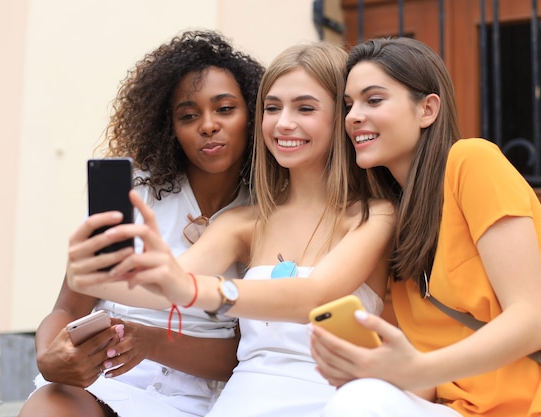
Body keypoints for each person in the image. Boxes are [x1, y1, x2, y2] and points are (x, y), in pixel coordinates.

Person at [66, 41, 396, 417]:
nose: (283, 122)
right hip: (245, 401)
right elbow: (166, 287)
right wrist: (90, 274)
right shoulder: (243, 222)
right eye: (272, 108)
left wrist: (194, 289)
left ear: (343, 116)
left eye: (305, 108)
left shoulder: (375, 216)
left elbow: (314, 297)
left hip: (340, 400)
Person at [309, 36, 541, 417]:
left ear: (427, 110)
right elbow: (431, 380)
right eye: (349, 105)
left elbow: (532, 321)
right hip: (465, 409)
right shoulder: (397, 222)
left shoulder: (472, 161)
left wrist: (416, 369)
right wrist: (376, 372)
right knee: (358, 400)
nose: (353, 116)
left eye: (374, 100)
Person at [19, 29, 264, 417]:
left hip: (194, 397)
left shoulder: (263, 212)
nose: (207, 125)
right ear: (171, 128)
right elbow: (67, 307)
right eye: (188, 115)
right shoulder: (133, 191)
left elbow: (242, 354)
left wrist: (150, 342)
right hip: (101, 380)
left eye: (225, 109)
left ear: (253, 115)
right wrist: (51, 357)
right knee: (51, 406)